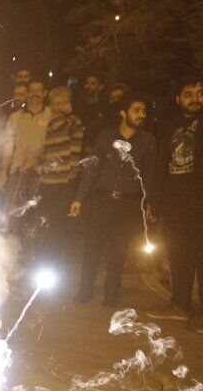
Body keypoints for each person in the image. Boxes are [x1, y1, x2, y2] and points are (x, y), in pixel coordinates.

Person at [73, 94, 157, 306]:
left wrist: (150, 203)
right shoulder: (105, 137)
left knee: (119, 251)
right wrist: (79, 198)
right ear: (124, 112)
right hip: (101, 200)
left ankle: (111, 297)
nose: (141, 114)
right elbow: (92, 169)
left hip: (128, 204)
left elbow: (149, 175)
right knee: (92, 247)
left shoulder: (147, 141)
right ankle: (84, 292)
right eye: (136, 110)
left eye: (144, 111)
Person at [147, 77, 203, 323]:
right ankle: (180, 305)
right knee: (178, 253)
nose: (195, 99)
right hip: (174, 201)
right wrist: (154, 201)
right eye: (189, 94)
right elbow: (161, 164)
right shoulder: (170, 126)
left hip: (199, 201)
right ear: (178, 99)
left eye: (200, 93)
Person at [33, 86, 85, 267]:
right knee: (43, 223)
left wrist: (72, 175)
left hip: (64, 183)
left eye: (63, 102)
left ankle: (51, 263)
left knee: (57, 227)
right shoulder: (45, 123)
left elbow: (76, 152)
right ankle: (40, 260)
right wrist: (40, 169)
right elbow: (38, 149)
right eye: (55, 103)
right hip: (46, 182)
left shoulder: (73, 123)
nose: (58, 106)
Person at [0, 80, 52, 213]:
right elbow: (8, 146)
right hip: (16, 171)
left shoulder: (52, 116)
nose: (35, 93)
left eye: (39, 90)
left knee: (32, 212)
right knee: (9, 210)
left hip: (40, 174)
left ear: (45, 93)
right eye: (32, 90)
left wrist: (36, 162)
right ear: (27, 94)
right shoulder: (15, 117)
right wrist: (4, 172)